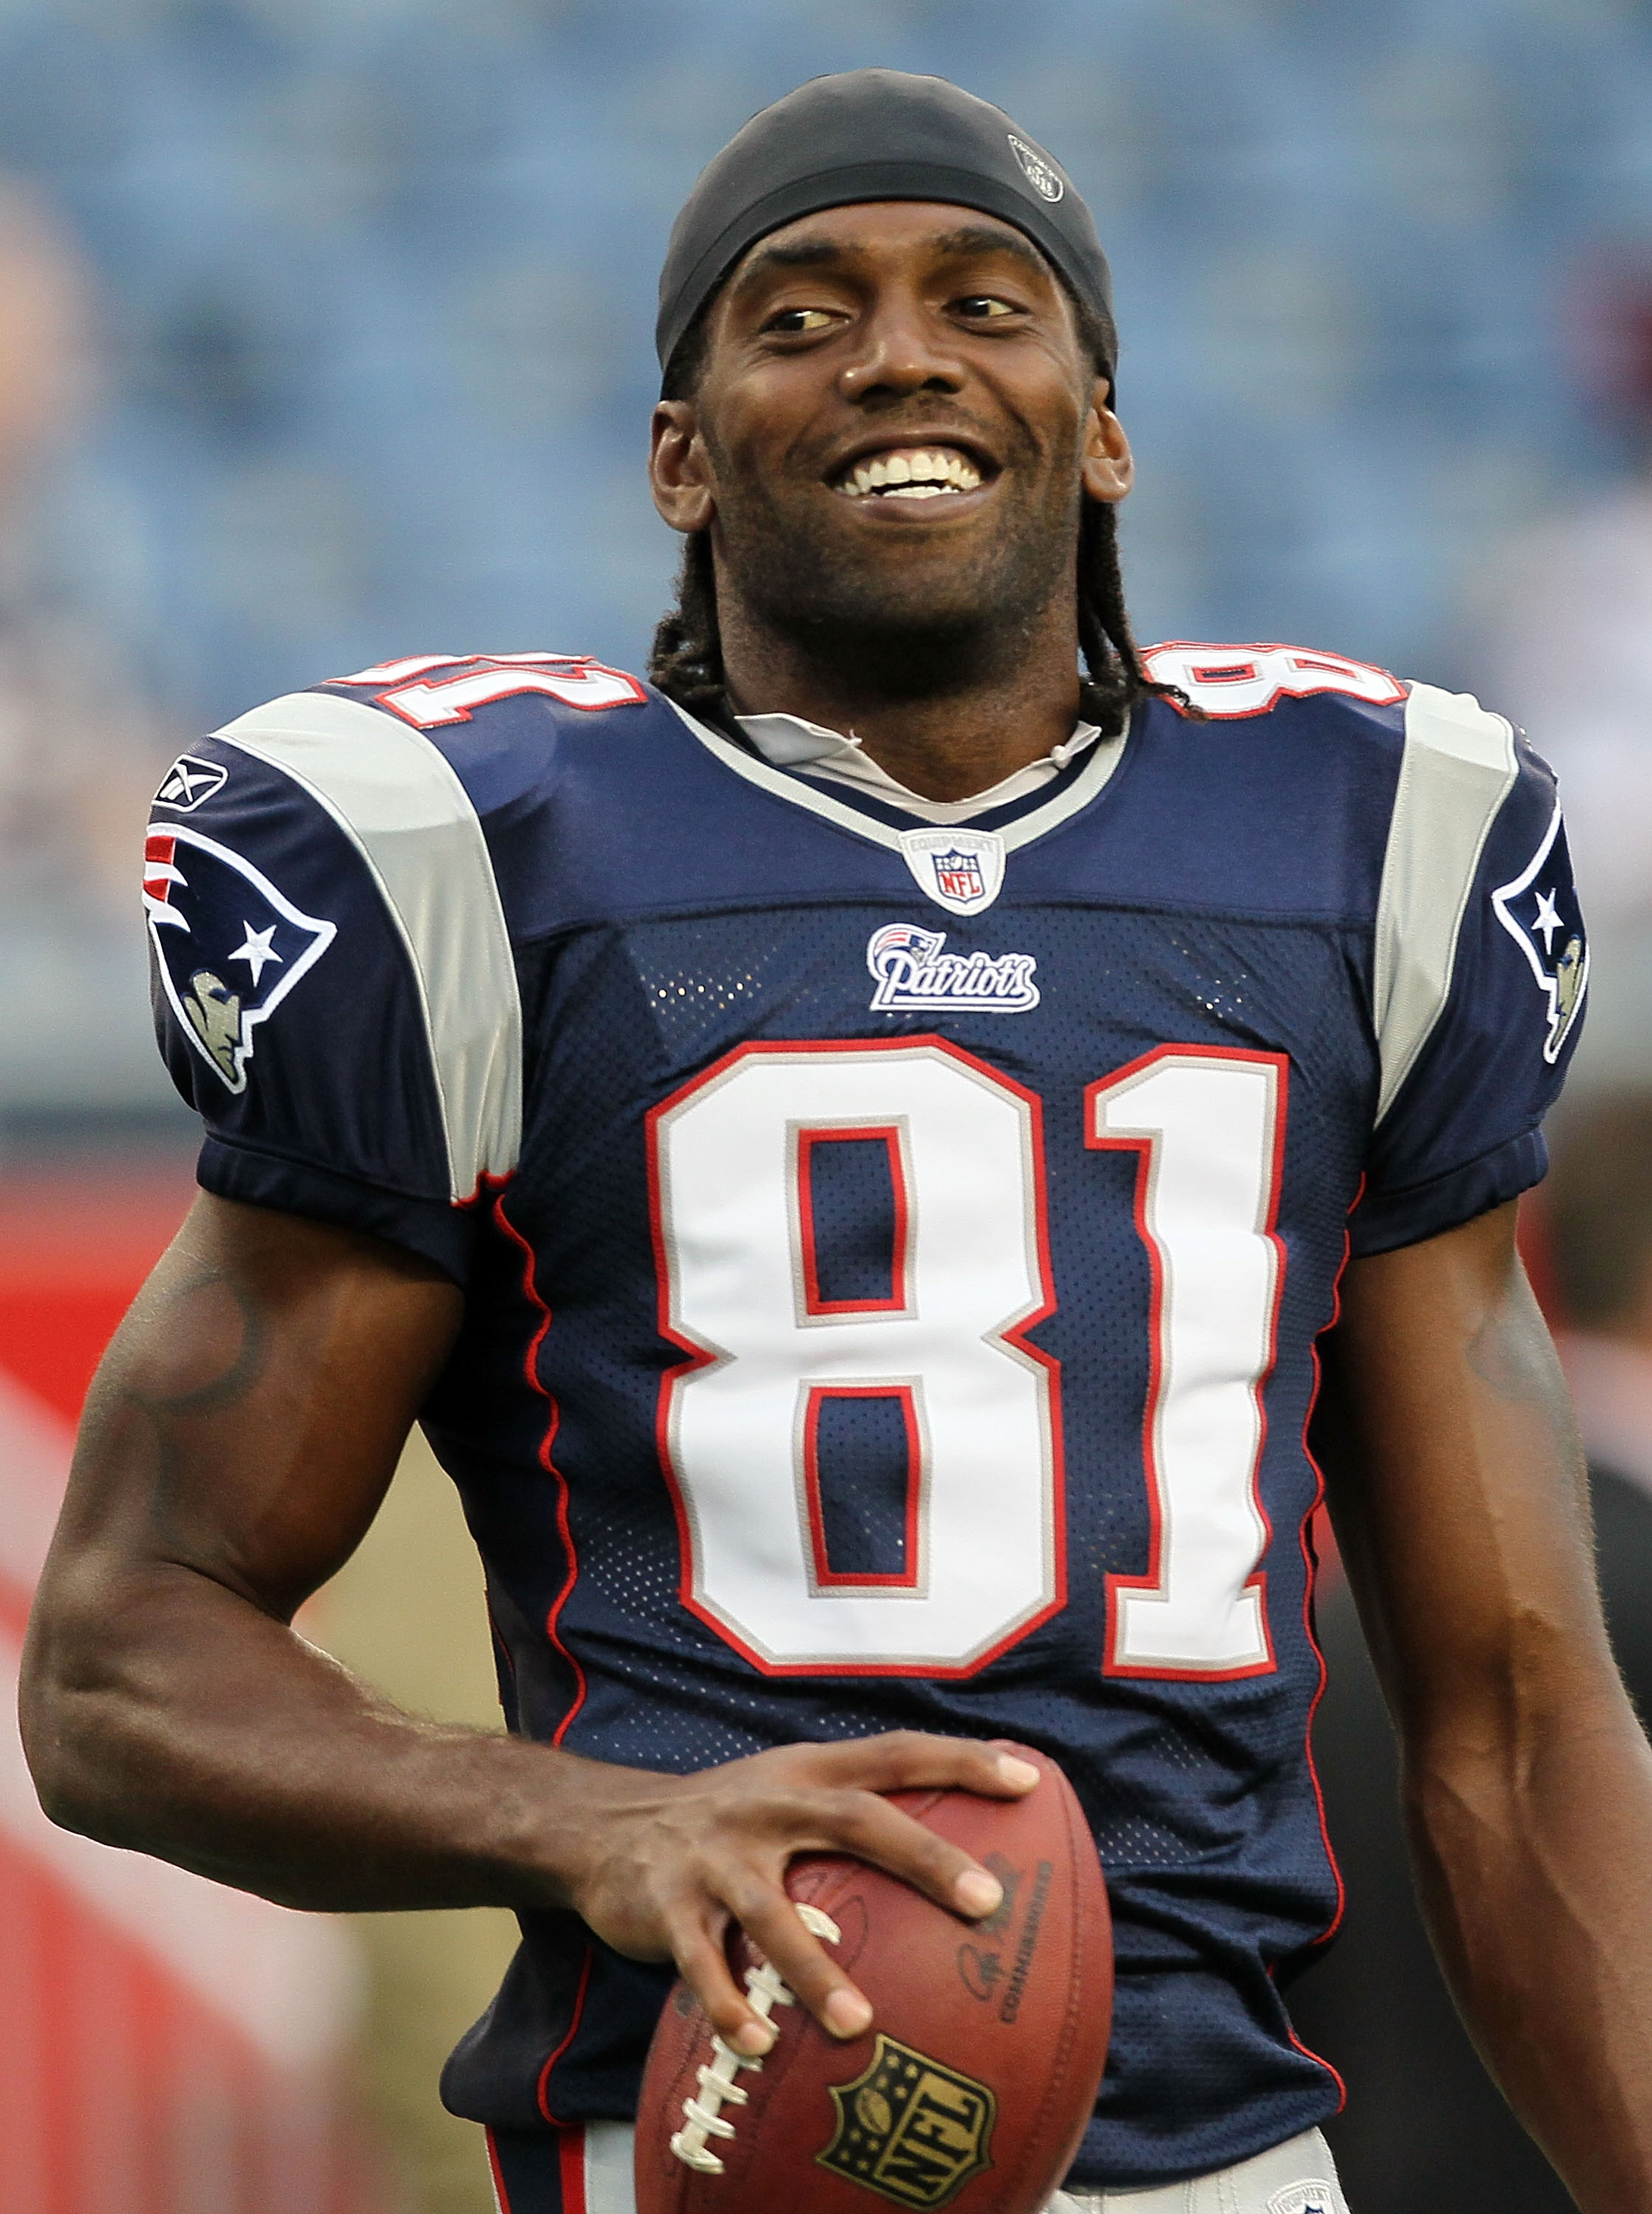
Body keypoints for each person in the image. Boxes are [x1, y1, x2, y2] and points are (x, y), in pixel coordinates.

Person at [17, 72, 1652, 2214]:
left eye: (988, 301)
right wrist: (590, 1824)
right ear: (679, 458)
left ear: (1107, 425)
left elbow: (1519, 1723)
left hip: (1230, 2154)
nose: (900, 351)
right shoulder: (488, 873)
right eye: (799, 314)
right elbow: (126, 1659)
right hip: (696, 2134)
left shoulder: (1359, 846)